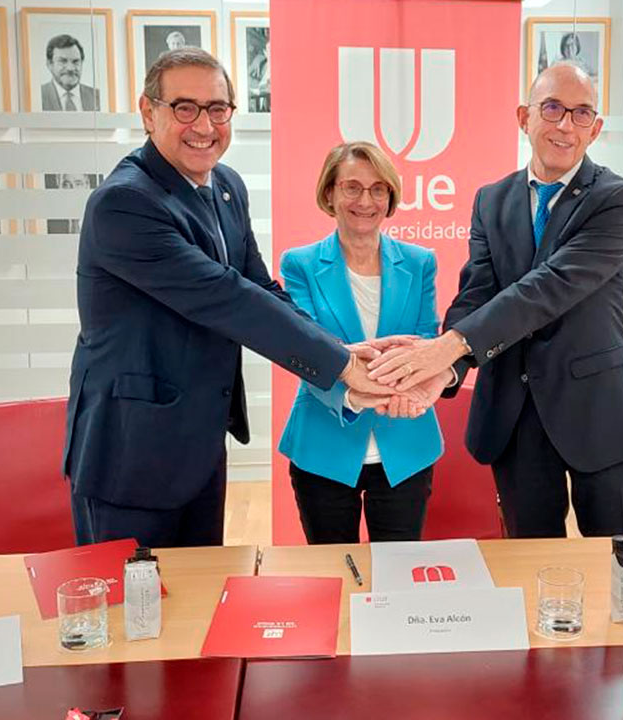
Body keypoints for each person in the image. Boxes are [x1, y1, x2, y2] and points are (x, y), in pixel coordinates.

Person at [63, 48, 391, 548]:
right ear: (148, 112)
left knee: (198, 601)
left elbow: (259, 286)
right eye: (185, 107)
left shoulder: (226, 188)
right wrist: (343, 365)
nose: (204, 124)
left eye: (218, 109)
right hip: (130, 454)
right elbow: (225, 296)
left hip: (197, 443)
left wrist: (338, 350)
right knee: (133, 615)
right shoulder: (124, 203)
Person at [368, 63, 623, 538]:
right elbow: (478, 291)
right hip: (515, 416)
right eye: (552, 108)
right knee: (530, 562)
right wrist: (448, 370)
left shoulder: (618, 199)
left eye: (581, 113)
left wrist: (447, 348)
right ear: (524, 117)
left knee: (618, 569)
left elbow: (550, 286)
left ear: (596, 129)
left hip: (601, 413)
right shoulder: (491, 200)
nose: (565, 125)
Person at [278, 142, 449, 544]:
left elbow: (425, 343)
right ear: (330, 193)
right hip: (323, 445)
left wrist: (407, 384)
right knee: (335, 575)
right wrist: (356, 396)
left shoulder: (420, 261)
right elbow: (306, 354)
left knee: (398, 578)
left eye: (378, 189)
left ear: (390, 196)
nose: (365, 200)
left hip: (406, 444)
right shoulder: (299, 264)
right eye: (352, 187)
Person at [40, 35, 99, 111]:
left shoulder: (97, 97)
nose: (70, 68)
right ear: (49, 64)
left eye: (76, 61)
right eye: (62, 61)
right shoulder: (38, 97)